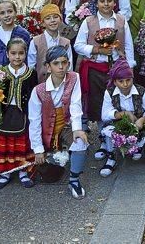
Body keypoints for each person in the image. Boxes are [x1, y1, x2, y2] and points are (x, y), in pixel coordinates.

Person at [27, 45, 88, 199]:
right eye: (56, 63)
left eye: (64, 62)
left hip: (66, 126)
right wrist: (38, 149)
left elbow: (75, 104)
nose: (61, 67)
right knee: (50, 176)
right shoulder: (38, 91)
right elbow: (34, 121)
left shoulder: (74, 78)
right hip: (47, 132)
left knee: (80, 142)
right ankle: (53, 156)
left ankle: (74, 180)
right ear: (48, 67)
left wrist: (77, 129)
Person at [74, 0, 136, 125]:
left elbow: (128, 45)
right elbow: (78, 45)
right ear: (96, 3)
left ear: (115, 3)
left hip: (116, 66)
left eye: (109, 0)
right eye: (102, 1)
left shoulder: (121, 20)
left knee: (115, 98)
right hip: (95, 69)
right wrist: (97, 50)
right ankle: (96, 131)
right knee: (95, 99)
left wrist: (129, 66)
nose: (106, 4)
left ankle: (117, 129)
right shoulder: (89, 21)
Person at [0, 38, 39, 189]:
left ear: (25, 54)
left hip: (23, 113)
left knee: (21, 144)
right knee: (6, 143)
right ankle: (5, 173)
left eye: (21, 53)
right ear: (7, 54)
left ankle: (23, 172)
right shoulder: (0, 72)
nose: (17, 57)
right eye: (13, 53)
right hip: (4, 112)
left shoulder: (31, 73)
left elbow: (33, 94)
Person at [98, 60, 145, 177]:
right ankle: (111, 157)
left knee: (144, 128)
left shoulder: (141, 91)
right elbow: (104, 115)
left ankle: (137, 145)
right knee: (109, 130)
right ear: (115, 82)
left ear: (132, 79)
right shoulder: (109, 93)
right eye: (121, 81)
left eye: (128, 80)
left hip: (138, 124)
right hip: (118, 124)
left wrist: (142, 120)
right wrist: (123, 114)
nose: (125, 84)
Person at [28, 4, 71, 81]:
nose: (52, 20)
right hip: (41, 83)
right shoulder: (35, 42)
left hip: (62, 83)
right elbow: (31, 66)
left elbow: (69, 67)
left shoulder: (66, 43)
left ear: (61, 20)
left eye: (55, 17)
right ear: (43, 23)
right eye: (48, 18)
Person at [0, 0, 32, 70]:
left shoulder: (23, 34)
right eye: (2, 13)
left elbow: (28, 57)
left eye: (10, 11)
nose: (7, 15)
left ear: (15, 12)